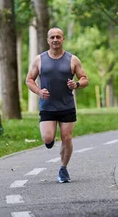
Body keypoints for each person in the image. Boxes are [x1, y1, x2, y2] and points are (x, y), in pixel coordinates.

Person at [26, 27, 89, 183]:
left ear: (63, 39)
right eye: (52, 37)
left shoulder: (73, 59)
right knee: (47, 138)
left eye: (58, 37)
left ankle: (63, 169)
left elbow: (84, 79)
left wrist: (76, 84)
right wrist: (39, 92)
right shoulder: (39, 59)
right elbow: (29, 80)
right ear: (48, 40)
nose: (55, 39)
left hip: (67, 105)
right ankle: (50, 140)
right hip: (47, 106)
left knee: (67, 138)